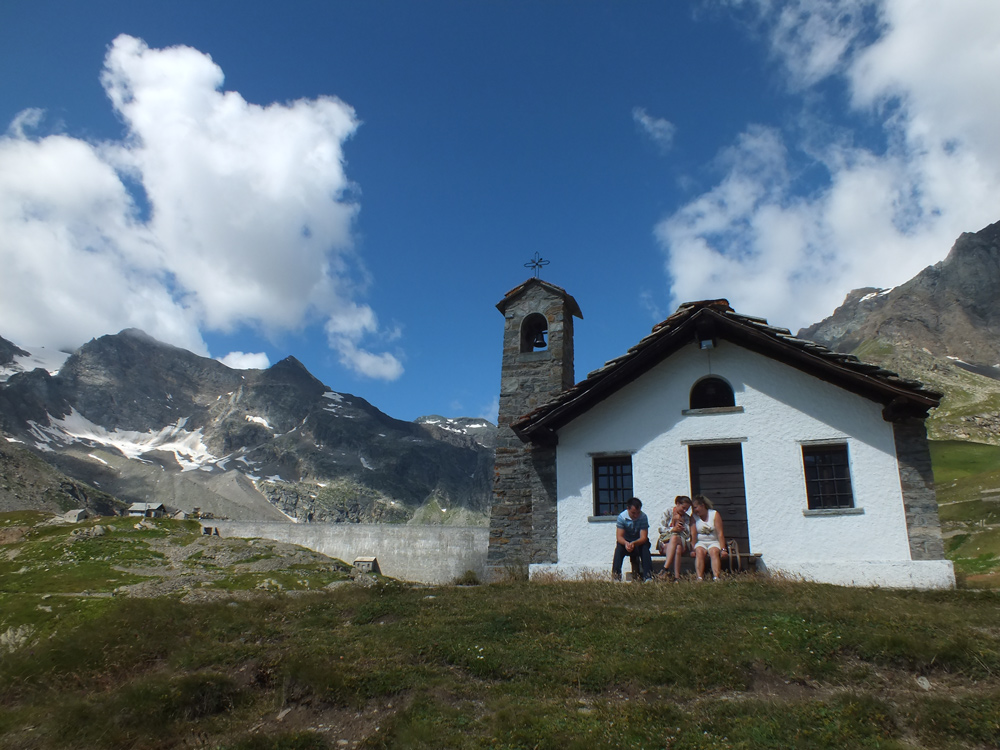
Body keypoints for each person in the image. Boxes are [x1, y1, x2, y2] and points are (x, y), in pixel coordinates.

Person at [612, 497, 653, 582]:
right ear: (628, 509)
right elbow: (619, 537)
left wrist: (634, 543)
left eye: (638, 513)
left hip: (639, 542)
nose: (636, 516)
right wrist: (626, 543)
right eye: (633, 513)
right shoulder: (622, 517)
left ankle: (648, 577)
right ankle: (616, 577)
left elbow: (643, 537)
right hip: (625, 542)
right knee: (619, 549)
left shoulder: (643, 517)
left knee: (645, 548)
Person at [689, 494, 727, 581]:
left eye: (695, 507)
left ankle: (716, 576)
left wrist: (723, 549)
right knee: (699, 551)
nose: (694, 510)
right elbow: (693, 534)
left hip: (713, 541)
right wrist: (692, 549)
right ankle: (699, 577)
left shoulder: (714, 514)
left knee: (713, 552)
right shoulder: (694, 517)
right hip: (701, 542)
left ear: (702, 506)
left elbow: (720, 533)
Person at [657, 495, 692, 581]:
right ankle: (677, 577)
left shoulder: (686, 518)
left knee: (675, 538)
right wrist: (673, 529)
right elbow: (661, 528)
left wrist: (683, 523)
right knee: (678, 548)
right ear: (677, 504)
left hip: (681, 540)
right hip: (666, 541)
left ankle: (665, 569)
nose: (684, 511)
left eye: (686, 509)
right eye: (683, 508)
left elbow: (688, 534)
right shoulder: (667, 512)